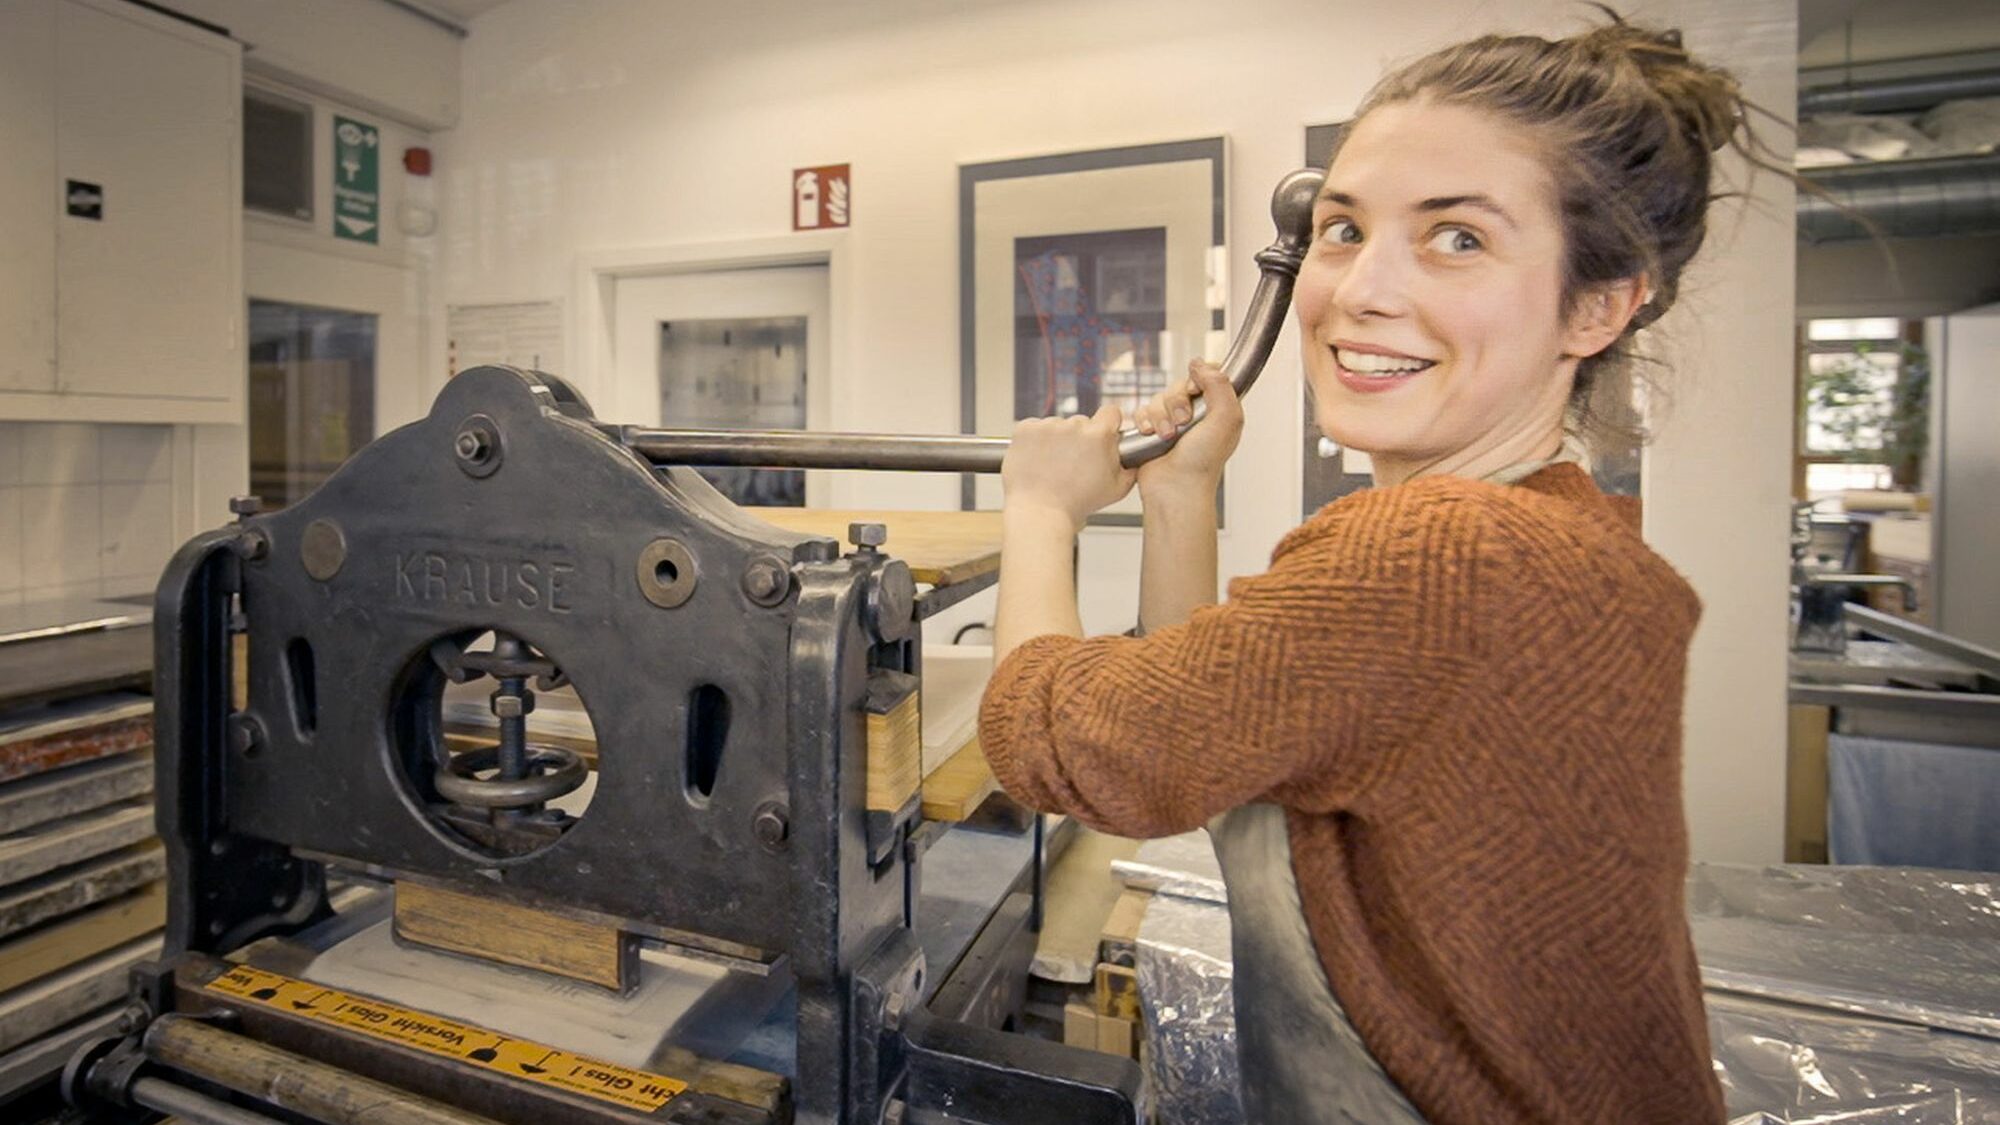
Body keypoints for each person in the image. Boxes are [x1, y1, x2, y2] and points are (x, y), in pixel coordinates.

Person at [977, 14, 1775, 1124]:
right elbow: (1211, 760)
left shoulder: (1437, 552)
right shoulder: (1567, 534)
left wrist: (1034, 507)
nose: (1356, 290)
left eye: (1456, 239)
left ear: (1596, 306)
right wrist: (1180, 494)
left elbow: (1057, 747)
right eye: (1343, 229)